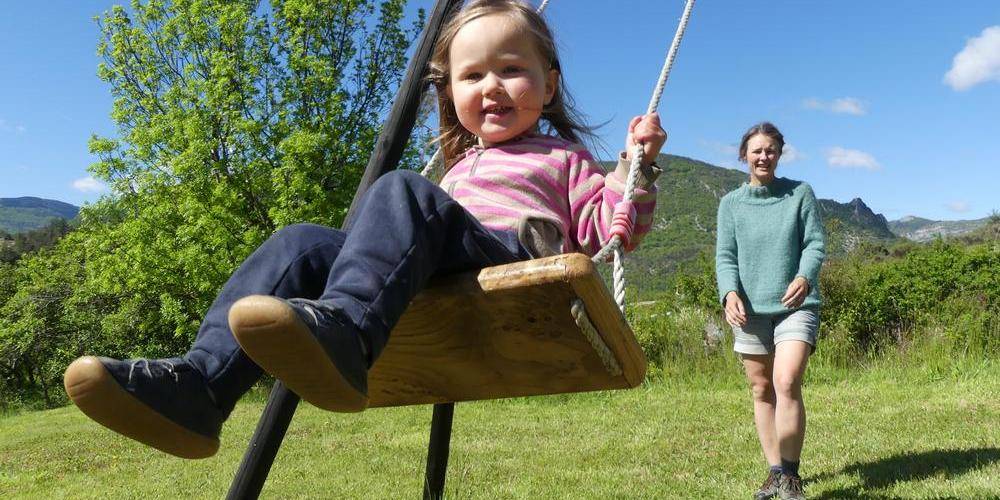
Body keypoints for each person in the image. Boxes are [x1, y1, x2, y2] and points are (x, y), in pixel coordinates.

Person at [64, 0, 667, 460]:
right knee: (301, 241)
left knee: (403, 191)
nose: (491, 87)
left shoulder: (563, 158)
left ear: (549, 84)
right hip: (428, 275)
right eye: (472, 76)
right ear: (450, 91)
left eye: (511, 70)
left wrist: (632, 171)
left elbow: (606, 231)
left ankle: (346, 333)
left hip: (507, 263)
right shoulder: (456, 166)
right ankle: (201, 386)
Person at [715, 122, 825, 500]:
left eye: (771, 150)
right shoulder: (730, 204)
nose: (764, 156)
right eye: (757, 150)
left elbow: (814, 244)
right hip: (749, 311)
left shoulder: (800, 194)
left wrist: (805, 276)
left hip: (796, 305)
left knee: (786, 381)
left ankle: (791, 475)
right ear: (744, 155)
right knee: (761, 388)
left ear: (779, 154)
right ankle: (775, 471)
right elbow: (725, 257)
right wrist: (729, 293)